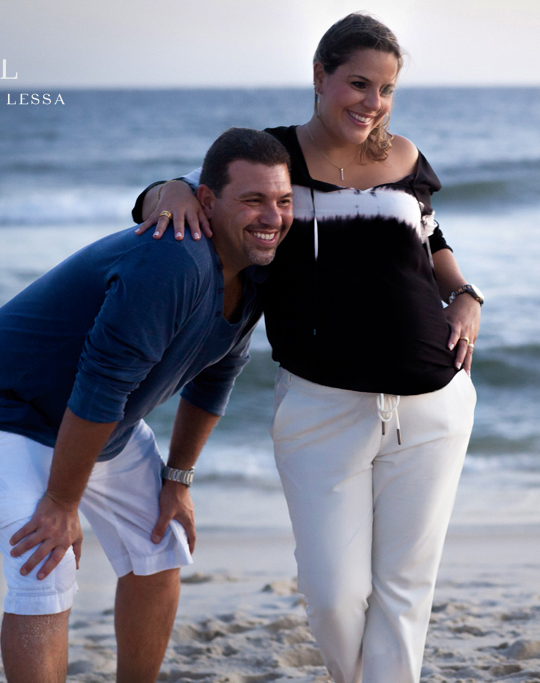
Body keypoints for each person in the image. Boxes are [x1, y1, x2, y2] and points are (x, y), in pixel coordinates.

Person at [132, 14, 482, 683]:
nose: (372, 102)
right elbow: (192, 198)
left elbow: (432, 238)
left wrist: (467, 295)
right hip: (320, 407)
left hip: (434, 403)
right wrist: (166, 190)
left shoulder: (405, 157)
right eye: (358, 83)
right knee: (332, 597)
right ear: (320, 76)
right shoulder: (276, 156)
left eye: (386, 89)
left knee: (405, 591)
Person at [0, 128, 293, 683]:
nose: (272, 217)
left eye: (283, 201)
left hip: (101, 420)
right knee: (45, 566)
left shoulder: (258, 269)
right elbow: (102, 384)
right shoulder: (175, 264)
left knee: (161, 542)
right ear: (207, 201)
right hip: (11, 405)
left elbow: (217, 374)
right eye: (253, 200)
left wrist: (177, 480)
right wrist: (62, 501)